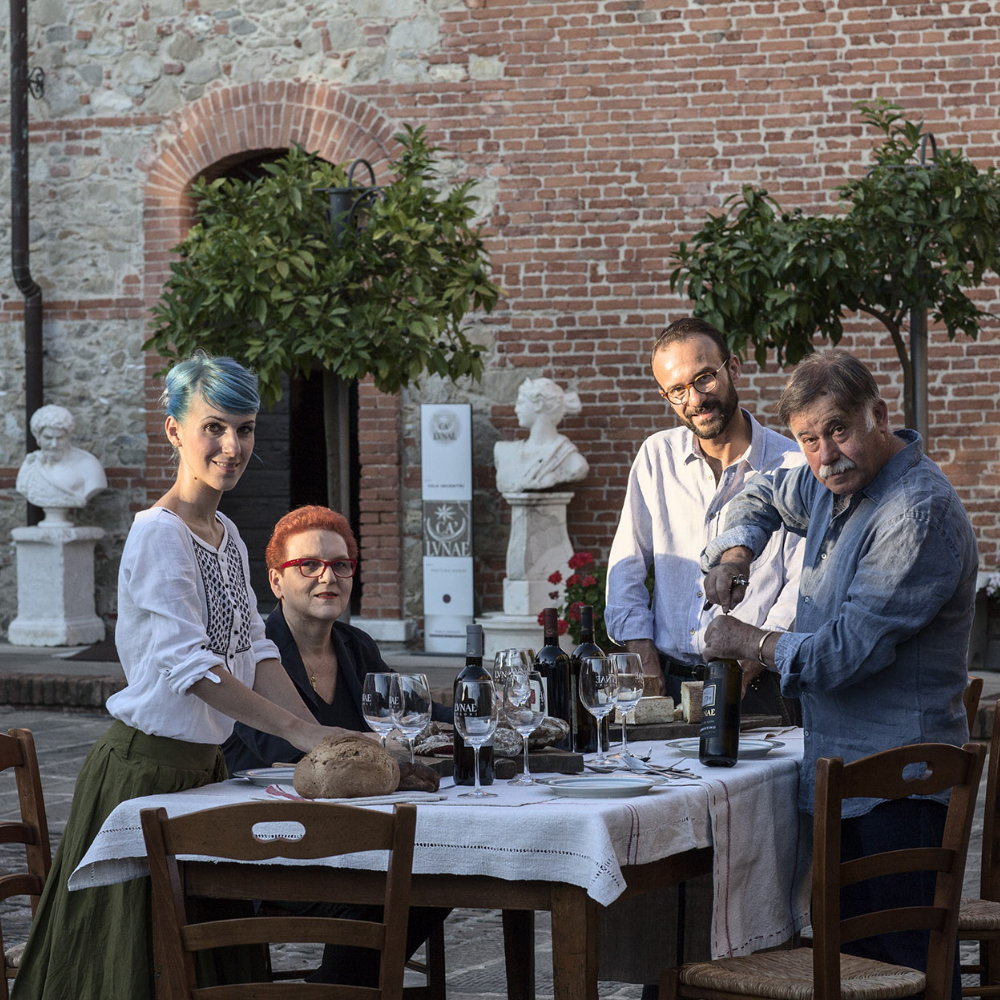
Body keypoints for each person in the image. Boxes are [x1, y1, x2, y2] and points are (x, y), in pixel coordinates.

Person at [12, 355, 350, 1000]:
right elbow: (193, 669)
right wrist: (302, 735)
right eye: (214, 427)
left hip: (202, 773)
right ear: (174, 431)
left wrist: (321, 734)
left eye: (245, 429)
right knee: (132, 971)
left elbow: (255, 645)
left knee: (204, 965)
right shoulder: (157, 534)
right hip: (140, 777)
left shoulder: (225, 533)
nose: (233, 445)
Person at [700, 349, 976, 994]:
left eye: (839, 430)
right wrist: (739, 548)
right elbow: (765, 488)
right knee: (853, 964)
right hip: (843, 774)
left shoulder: (915, 511)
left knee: (903, 970)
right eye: (808, 440)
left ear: (877, 415)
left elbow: (841, 655)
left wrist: (746, 639)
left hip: (902, 784)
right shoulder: (828, 481)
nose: (826, 455)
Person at [223, 504, 451, 987]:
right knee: (408, 884)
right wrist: (376, 741)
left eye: (340, 565)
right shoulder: (252, 652)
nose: (328, 576)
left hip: (350, 833)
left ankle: (335, 986)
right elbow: (272, 748)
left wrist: (490, 720)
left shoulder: (354, 645)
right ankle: (341, 987)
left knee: (444, 872)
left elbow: (413, 711)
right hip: (268, 836)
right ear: (276, 581)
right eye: (308, 565)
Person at [604, 317, 805, 719]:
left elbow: (803, 587)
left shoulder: (794, 466)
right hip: (669, 683)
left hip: (763, 688)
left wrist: (754, 658)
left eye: (704, 379)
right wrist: (641, 653)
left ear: (732, 368)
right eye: (677, 390)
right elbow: (625, 567)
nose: (694, 399)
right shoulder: (656, 457)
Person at [493, 377, 589, 493]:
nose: (516, 409)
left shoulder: (573, 461)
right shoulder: (506, 453)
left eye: (521, 403)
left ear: (538, 404)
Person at [16, 404, 107, 512]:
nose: (54, 444)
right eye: (48, 438)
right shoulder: (30, 465)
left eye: (60, 438)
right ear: (38, 437)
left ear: (68, 436)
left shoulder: (89, 465)